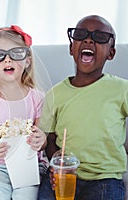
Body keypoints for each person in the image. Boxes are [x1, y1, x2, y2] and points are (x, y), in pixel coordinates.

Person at [37, 15, 127, 200]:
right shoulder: (56, 94)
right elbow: (50, 139)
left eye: (99, 37)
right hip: (64, 176)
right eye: (80, 35)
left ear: (111, 53)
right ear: (71, 48)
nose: (88, 40)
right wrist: (57, 164)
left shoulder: (121, 89)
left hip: (105, 179)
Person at [0, 25, 48, 200]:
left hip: (28, 164)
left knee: (26, 195)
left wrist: (40, 140)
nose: (7, 60)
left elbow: (42, 137)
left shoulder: (37, 97)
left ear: (27, 60)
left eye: (16, 54)